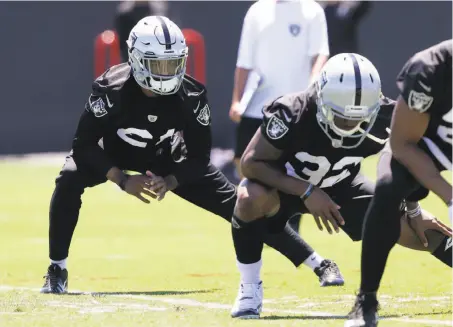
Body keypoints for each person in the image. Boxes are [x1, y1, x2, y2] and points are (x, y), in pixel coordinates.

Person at [40, 16, 340, 294]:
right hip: (114, 156)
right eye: (157, 65)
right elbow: (83, 146)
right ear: (136, 60)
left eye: (173, 64)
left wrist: (171, 180)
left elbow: (198, 157)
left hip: (167, 159)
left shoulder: (191, 96)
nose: (167, 72)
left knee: (243, 205)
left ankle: (318, 262)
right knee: (68, 178)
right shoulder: (111, 89)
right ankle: (57, 269)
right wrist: (120, 179)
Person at [228, 53, 452, 319]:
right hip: (284, 187)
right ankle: (250, 287)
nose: (350, 124)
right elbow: (251, 164)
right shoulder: (292, 111)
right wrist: (307, 190)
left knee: (420, 230)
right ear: (321, 98)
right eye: (342, 116)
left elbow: (408, 158)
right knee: (249, 197)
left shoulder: (385, 114)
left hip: (343, 186)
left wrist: (413, 209)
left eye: (358, 118)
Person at [345, 40, 452, 327]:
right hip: (421, 146)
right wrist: (449, 197)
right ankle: (366, 298)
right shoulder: (430, 70)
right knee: (388, 190)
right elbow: (403, 145)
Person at [229, 0, 330, 233]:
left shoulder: (312, 11)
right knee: (246, 169)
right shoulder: (256, 10)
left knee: (292, 173)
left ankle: (288, 232)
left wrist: (312, 85)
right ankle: (251, 226)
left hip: (296, 113)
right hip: (257, 110)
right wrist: (237, 100)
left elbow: (320, 54)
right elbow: (244, 62)